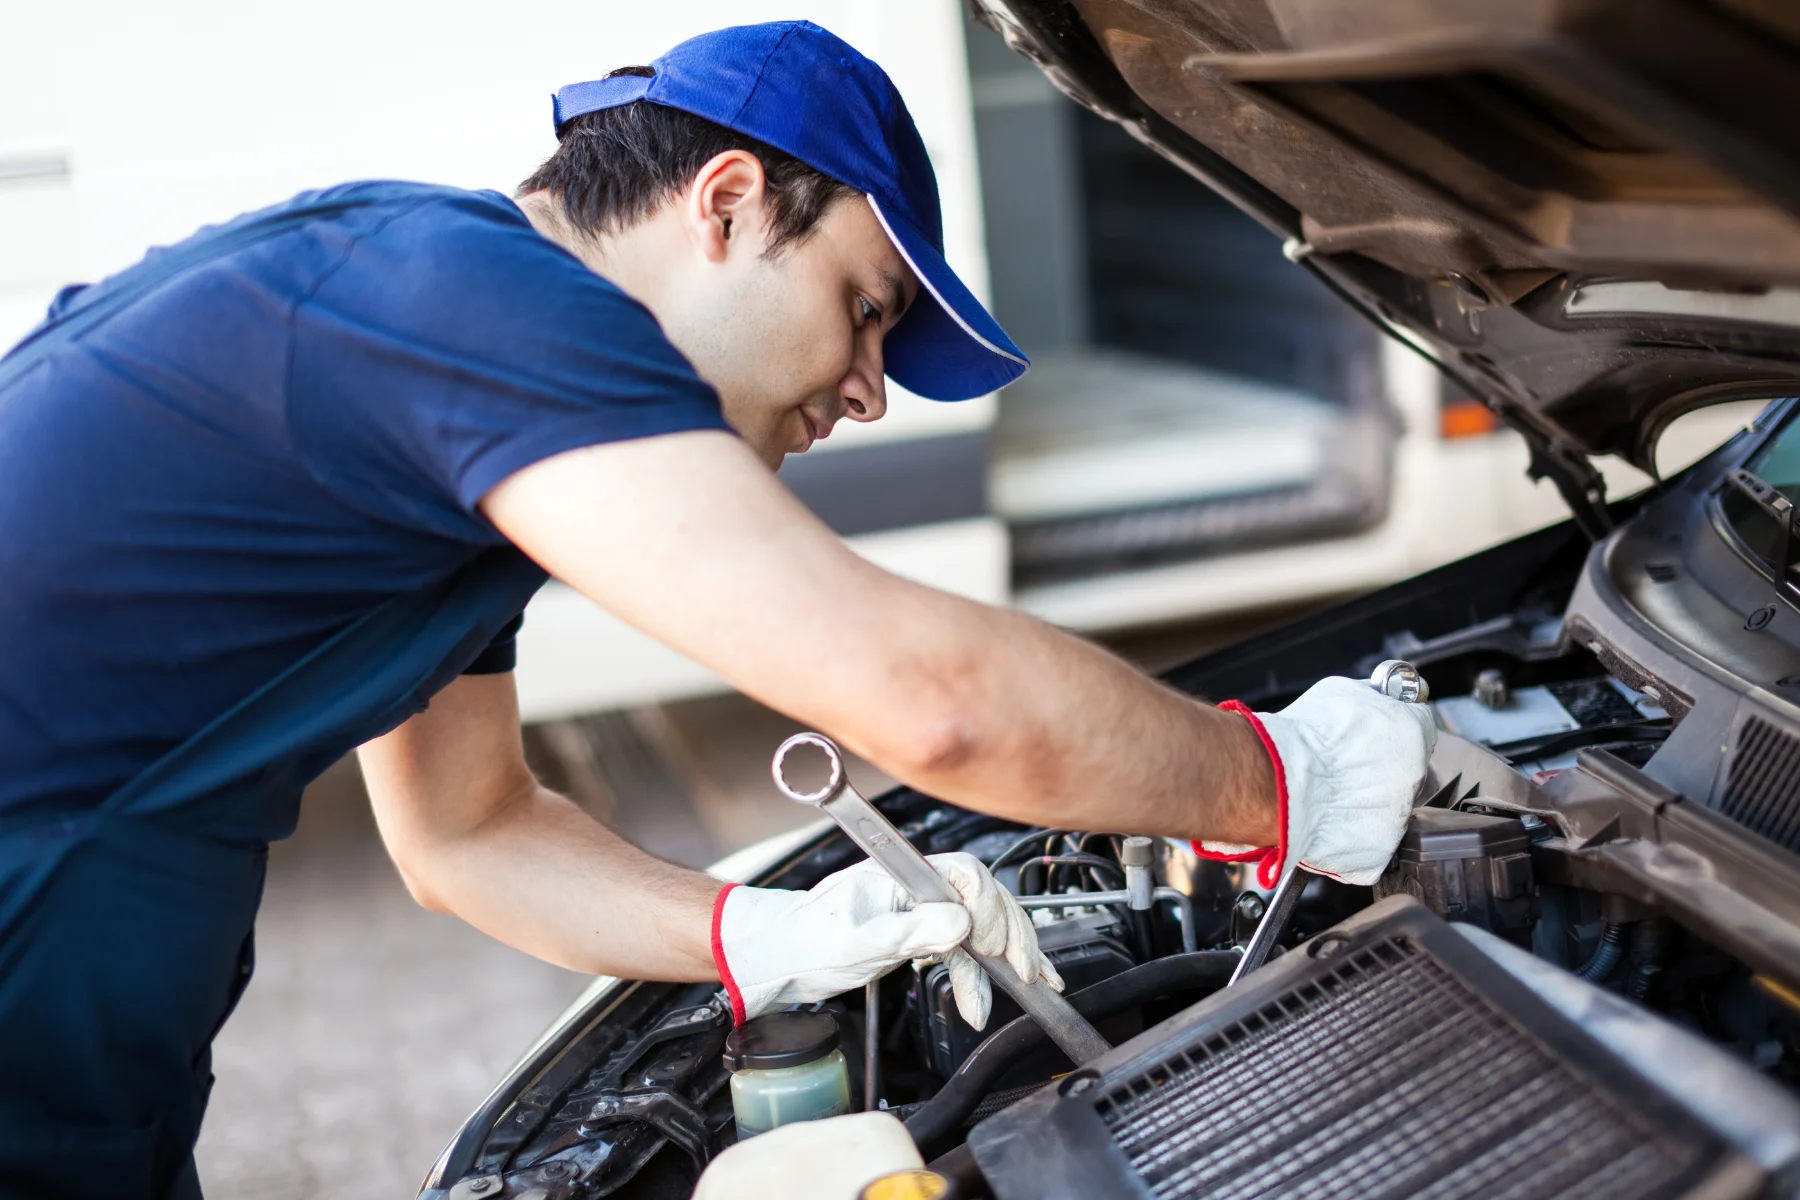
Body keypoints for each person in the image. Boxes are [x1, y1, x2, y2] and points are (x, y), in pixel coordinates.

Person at [0, 20, 1435, 1198]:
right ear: (729, 202)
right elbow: (931, 700)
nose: (868, 389)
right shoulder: (480, 304)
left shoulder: (448, 389)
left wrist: (765, 932)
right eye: (866, 309)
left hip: (86, 1075)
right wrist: (1281, 779)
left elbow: (467, 830)